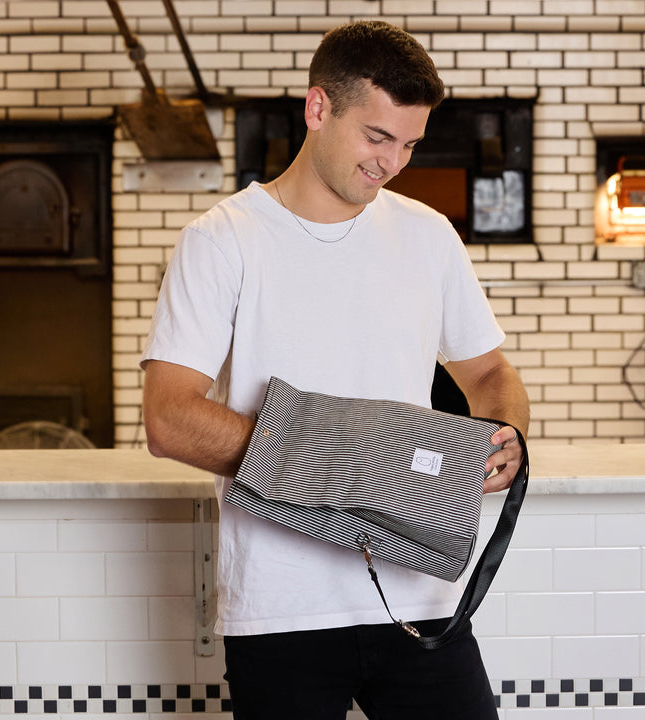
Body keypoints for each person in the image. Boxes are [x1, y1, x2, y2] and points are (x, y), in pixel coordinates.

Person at [141, 19, 529, 720]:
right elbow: (168, 418)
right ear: (318, 109)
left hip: (421, 594)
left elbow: (491, 373)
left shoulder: (427, 235)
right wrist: (354, 466)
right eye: (377, 137)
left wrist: (505, 436)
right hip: (280, 610)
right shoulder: (222, 240)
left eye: (409, 144)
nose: (391, 163)